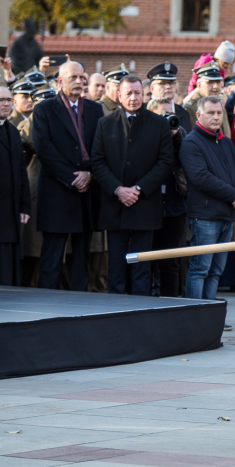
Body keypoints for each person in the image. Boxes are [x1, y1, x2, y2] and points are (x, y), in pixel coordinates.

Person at [91, 76, 174, 296]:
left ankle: (140, 311)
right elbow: (97, 162)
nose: (134, 97)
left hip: (145, 204)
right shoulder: (105, 123)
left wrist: (138, 189)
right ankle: (114, 312)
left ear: (144, 94)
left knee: (141, 266)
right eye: (128, 93)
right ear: (119, 95)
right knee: (116, 266)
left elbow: (165, 162)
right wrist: (118, 189)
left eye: (138, 93)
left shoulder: (159, 124)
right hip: (115, 205)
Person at [31, 61, 103, 292]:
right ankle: (47, 298)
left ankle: (80, 298)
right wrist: (73, 178)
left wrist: (89, 174)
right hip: (58, 189)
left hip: (87, 191)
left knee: (83, 251)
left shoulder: (94, 109)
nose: (79, 81)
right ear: (59, 82)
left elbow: (100, 147)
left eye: (82, 77)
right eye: (73, 77)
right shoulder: (45, 109)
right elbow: (44, 150)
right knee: (53, 251)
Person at [180, 96, 235, 299]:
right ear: (198, 115)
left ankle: (210, 313)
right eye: (211, 113)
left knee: (216, 271)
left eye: (219, 113)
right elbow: (201, 178)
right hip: (205, 216)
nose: (216, 117)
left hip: (227, 215)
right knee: (200, 269)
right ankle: (195, 316)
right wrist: (233, 194)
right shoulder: (191, 142)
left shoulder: (224, 141)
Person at [145, 98, 188, 298]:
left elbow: (185, 159)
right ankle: (147, 299)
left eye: (171, 114)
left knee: (171, 259)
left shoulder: (180, 135)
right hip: (149, 204)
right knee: (148, 258)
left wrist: (175, 136)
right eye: (163, 115)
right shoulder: (144, 134)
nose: (169, 119)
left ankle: (170, 301)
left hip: (174, 204)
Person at [0, 86, 31, 285]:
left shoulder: (13, 132)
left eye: (8, 100)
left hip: (11, 211)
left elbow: (21, 172)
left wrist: (25, 205)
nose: (6, 104)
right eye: (0, 100)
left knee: (9, 265)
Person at [146, 62, 193, 133]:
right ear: (152, 88)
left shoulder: (183, 112)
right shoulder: (143, 111)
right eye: (162, 83)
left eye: (171, 83)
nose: (168, 87)